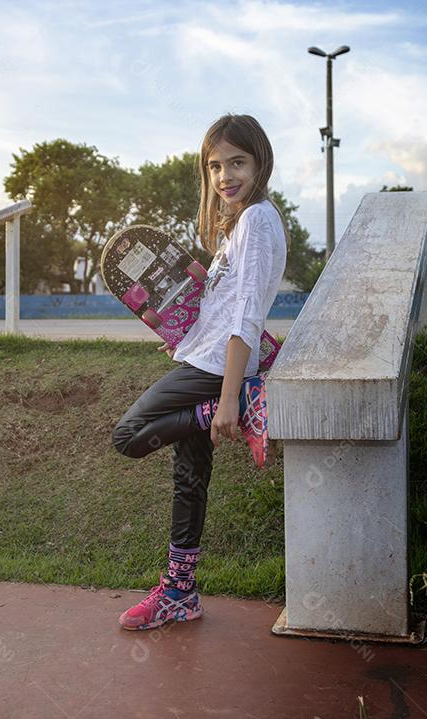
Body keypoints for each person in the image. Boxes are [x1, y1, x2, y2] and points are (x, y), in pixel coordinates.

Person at [111, 113, 289, 631]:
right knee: (189, 479)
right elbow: (221, 308)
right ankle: (180, 593)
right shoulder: (235, 229)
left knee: (128, 435)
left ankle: (241, 409)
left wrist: (229, 399)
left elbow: (246, 315)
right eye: (215, 165)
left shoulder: (257, 220)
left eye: (237, 162)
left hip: (218, 371)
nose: (224, 175)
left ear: (261, 163)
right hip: (206, 359)